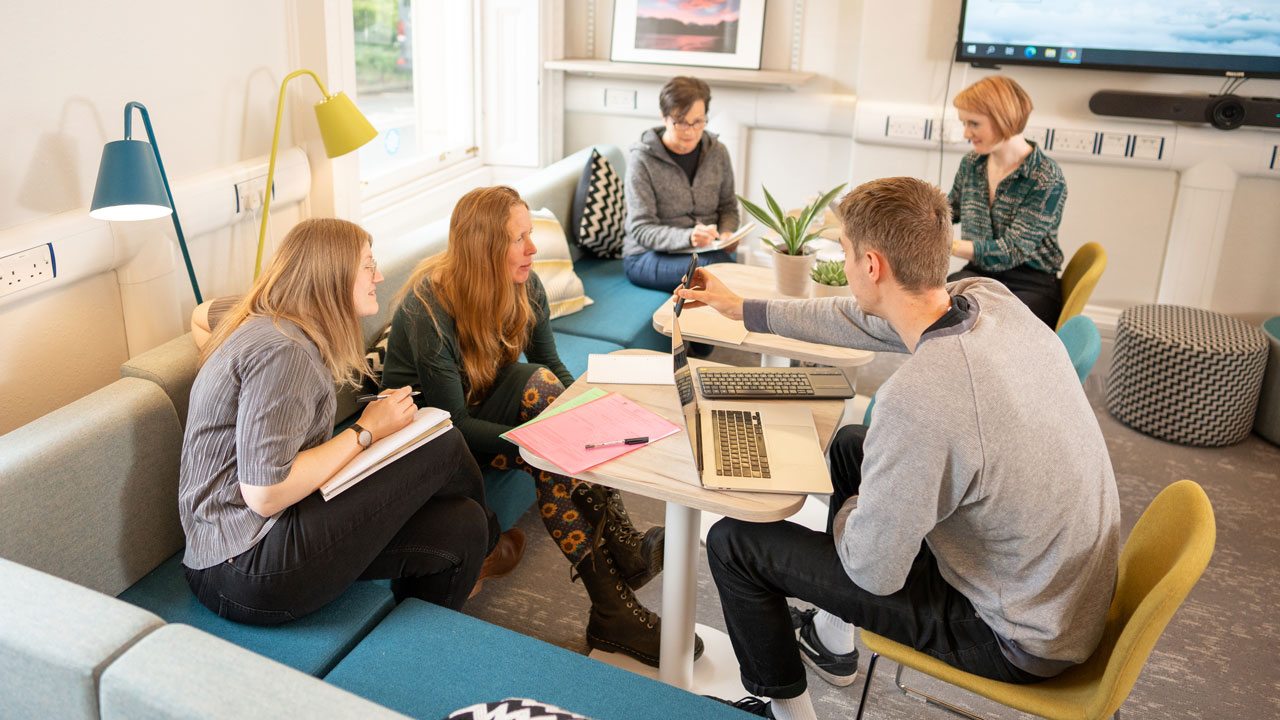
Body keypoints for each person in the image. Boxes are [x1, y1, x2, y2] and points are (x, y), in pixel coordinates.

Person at [676, 177, 1119, 719]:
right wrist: (741, 309)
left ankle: (784, 714)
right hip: (1055, 589)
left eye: (843, 248)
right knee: (850, 447)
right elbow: (859, 319)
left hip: (1013, 633)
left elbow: (874, 573)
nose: (841, 259)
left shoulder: (921, 399)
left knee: (734, 543)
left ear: (871, 266)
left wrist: (863, 510)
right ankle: (834, 639)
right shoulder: (988, 299)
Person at [380, 185, 696, 668]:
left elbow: (548, 363)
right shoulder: (428, 305)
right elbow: (456, 424)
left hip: (488, 407)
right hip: (437, 440)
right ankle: (616, 591)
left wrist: (597, 413)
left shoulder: (523, 284)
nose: (533, 248)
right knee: (552, 440)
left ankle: (614, 601)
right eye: (519, 238)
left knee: (549, 393)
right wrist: (555, 435)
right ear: (485, 249)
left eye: (531, 234)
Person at [179, 218, 504, 625]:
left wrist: (237, 382)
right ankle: (492, 543)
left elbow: (200, 314)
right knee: (443, 443)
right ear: (330, 276)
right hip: (243, 561)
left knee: (461, 527)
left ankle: (413, 651)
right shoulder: (285, 350)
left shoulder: (271, 320)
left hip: (258, 542)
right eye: (368, 265)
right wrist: (366, 430)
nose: (379, 276)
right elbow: (263, 493)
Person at [948, 75, 1067, 327]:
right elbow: (948, 211)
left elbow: (1011, 251)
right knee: (940, 308)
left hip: (1030, 283)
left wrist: (948, 243)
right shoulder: (972, 164)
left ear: (1003, 120)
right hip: (980, 273)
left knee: (987, 325)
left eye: (974, 124)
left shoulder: (1045, 178)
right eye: (964, 123)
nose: (966, 133)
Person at [622, 75, 740, 292]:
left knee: (720, 269)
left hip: (708, 252)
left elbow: (728, 207)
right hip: (645, 257)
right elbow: (641, 229)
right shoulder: (642, 160)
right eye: (681, 122)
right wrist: (689, 237)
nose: (691, 131)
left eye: (698, 122)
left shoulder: (718, 152)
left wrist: (726, 233)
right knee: (717, 272)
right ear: (664, 117)